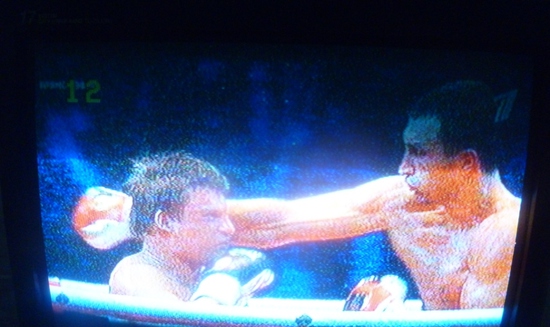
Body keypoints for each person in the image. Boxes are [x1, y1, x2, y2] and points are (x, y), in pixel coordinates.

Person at [73, 81, 520, 310]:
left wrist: (400, 310)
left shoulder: (509, 231)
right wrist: (140, 215)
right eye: (405, 150)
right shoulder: (400, 199)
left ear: (466, 165)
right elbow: (281, 222)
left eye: (419, 154)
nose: (403, 167)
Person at [98, 151, 272, 305]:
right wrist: (220, 287)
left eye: (226, 216)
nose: (229, 229)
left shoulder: (195, 276)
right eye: (210, 216)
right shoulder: (135, 274)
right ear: (166, 221)